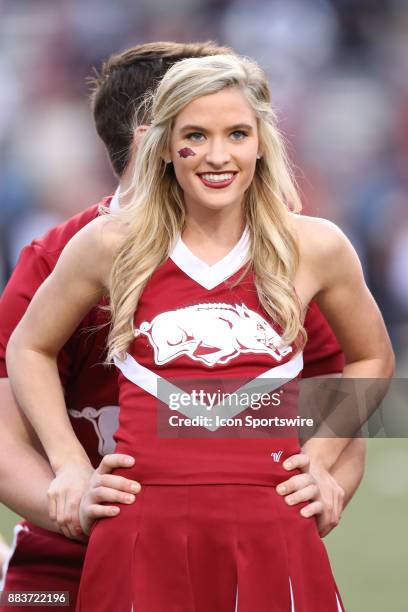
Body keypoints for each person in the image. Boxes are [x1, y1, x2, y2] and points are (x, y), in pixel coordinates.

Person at [6, 53, 394, 612]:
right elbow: (29, 345)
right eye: (194, 135)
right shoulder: (110, 244)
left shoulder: (313, 245)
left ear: (263, 141)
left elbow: (370, 360)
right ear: (162, 145)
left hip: (272, 524)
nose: (217, 155)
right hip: (139, 525)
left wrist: (326, 458)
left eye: (237, 133)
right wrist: (69, 465)